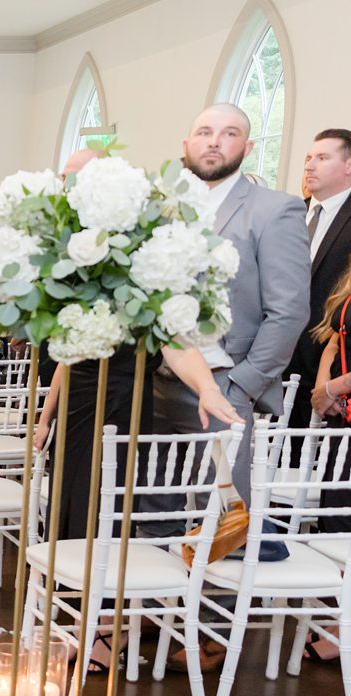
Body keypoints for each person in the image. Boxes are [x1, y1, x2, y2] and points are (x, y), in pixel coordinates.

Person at [150, 104, 309, 502]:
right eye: (205, 132)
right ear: (186, 143)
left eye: (229, 133)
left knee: (221, 518)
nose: (215, 142)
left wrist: (243, 384)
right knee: (150, 512)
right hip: (154, 379)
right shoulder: (159, 208)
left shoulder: (275, 209)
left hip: (224, 380)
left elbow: (288, 310)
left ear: (248, 146)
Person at [286, 129, 351, 434]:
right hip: (279, 364)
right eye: (308, 158)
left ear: (349, 165)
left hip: (328, 366)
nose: (309, 165)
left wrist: (329, 378)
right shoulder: (289, 214)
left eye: (322, 158)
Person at [305, 261, 351, 661]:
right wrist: (323, 389)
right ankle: (336, 623)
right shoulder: (348, 278)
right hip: (341, 418)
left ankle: (341, 630)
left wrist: (334, 387)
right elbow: (334, 340)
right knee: (334, 517)